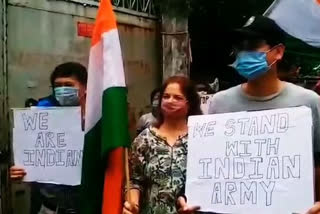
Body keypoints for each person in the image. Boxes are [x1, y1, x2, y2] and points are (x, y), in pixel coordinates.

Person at [177, 16, 320, 213]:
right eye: (240, 46)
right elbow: (207, 169)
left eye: (253, 45)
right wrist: (192, 200)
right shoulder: (218, 103)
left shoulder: (308, 103)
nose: (244, 53)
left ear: (278, 51)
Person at [10, 62, 87, 214]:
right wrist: (20, 170)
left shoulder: (97, 117)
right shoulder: (42, 112)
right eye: (58, 85)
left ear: (85, 87)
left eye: (69, 85)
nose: (62, 89)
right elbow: (30, 153)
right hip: (50, 207)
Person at [123, 76, 202, 214]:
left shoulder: (200, 138)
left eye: (177, 97)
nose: (170, 101)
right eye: (166, 96)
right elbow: (134, 180)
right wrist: (133, 204)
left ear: (190, 104)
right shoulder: (145, 139)